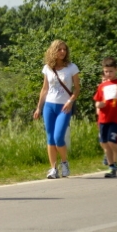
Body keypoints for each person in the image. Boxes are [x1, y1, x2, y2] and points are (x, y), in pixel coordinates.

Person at [33, 39, 80, 179]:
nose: (62, 52)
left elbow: (77, 89)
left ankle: (64, 163)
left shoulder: (72, 67)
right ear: (53, 51)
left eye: (64, 49)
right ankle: (53, 168)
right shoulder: (47, 67)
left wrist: (70, 101)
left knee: (58, 137)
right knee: (50, 138)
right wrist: (38, 108)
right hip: (49, 105)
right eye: (59, 49)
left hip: (64, 107)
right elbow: (45, 89)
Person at [93, 57, 117, 178]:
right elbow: (97, 101)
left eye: (111, 71)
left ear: (116, 70)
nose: (108, 74)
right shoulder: (102, 86)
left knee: (112, 141)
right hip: (103, 119)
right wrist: (99, 105)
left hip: (115, 119)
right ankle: (112, 167)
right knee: (105, 143)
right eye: (106, 71)